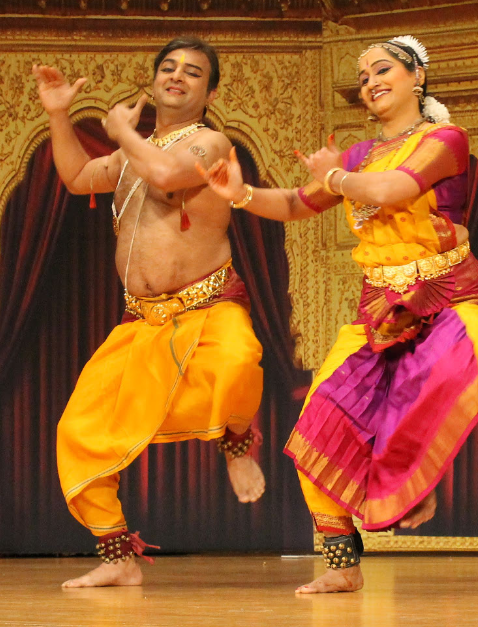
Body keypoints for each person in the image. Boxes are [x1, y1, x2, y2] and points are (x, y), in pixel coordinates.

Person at [198, 35, 478, 594]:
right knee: (319, 424)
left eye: (382, 70)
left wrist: (336, 176)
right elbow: (292, 204)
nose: (370, 83)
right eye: (362, 78)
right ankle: (342, 565)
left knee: (445, 378)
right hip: (379, 311)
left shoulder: (445, 140)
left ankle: (413, 480)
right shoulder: (358, 154)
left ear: (417, 76)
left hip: (450, 301)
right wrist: (240, 193)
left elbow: (394, 188)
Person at [32, 36, 265, 588]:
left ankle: (235, 442)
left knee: (238, 360)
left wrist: (122, 134)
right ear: (154, 80)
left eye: (192, 71)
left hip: (210, 307)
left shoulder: (212, 143)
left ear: (209, 90)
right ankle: (118, 559)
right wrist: (60, 117)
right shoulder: (133, 151)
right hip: (143, 322)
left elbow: (165, 175)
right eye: (168, 67)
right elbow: (76, 178)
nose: (177, 76)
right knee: (79, 430)